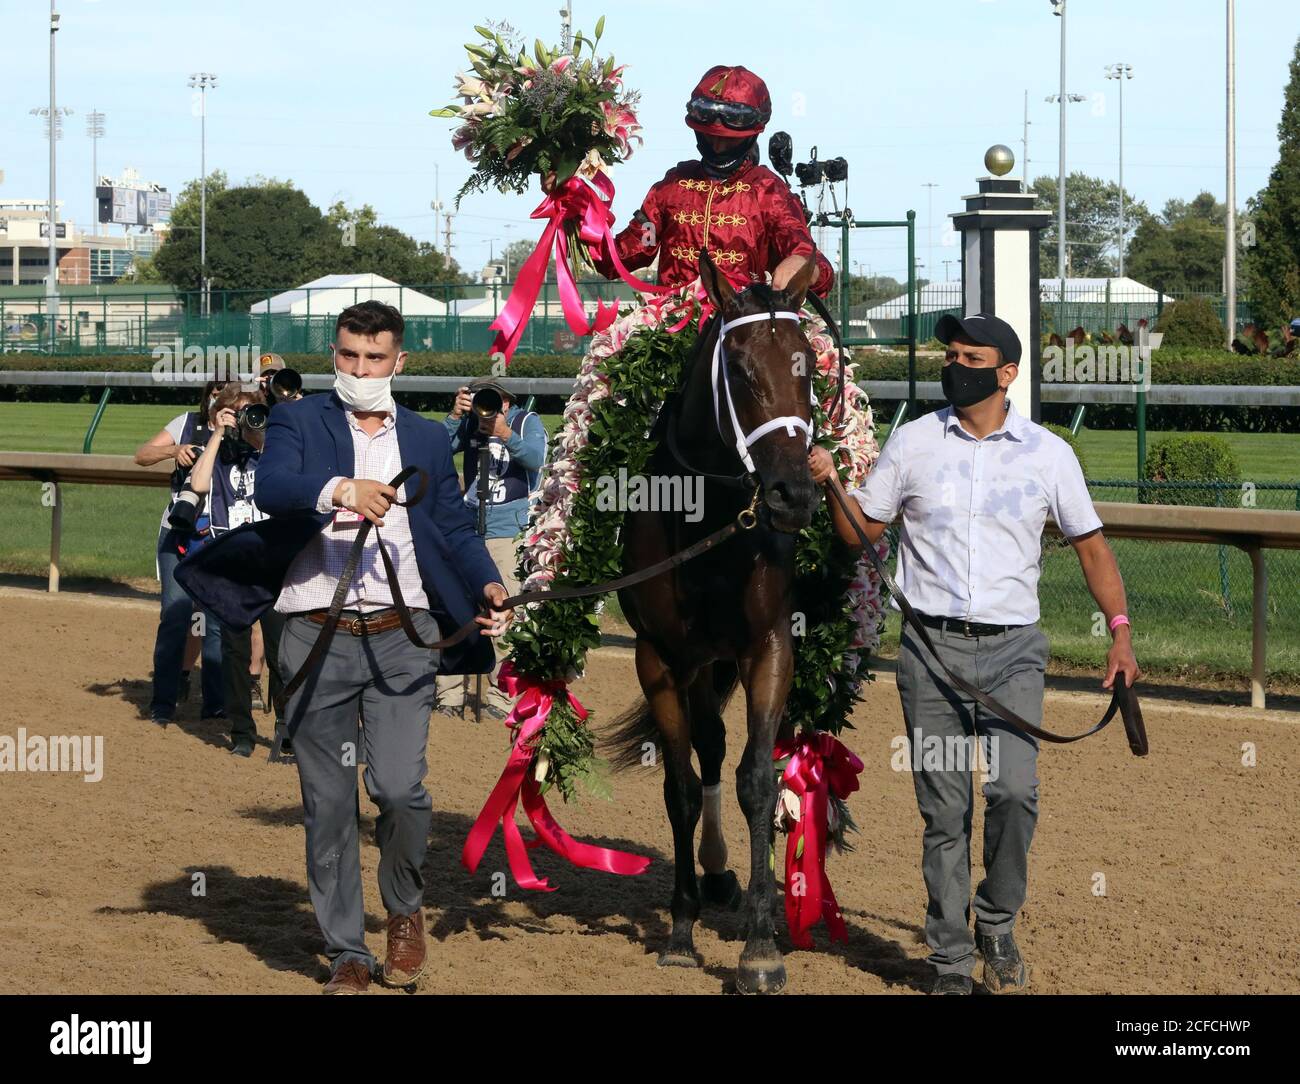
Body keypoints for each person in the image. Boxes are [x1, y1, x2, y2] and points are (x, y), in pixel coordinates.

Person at [809, 312, 1141, 995]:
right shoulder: (914, 443)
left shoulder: (1049, 454)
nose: (954, 364)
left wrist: (1120, 630)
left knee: (1015, 792)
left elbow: (1092, 547)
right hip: (930, 656)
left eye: (970, 355)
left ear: (1008, 372)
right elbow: (857, 533)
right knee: (945, 812)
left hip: (1015, 654)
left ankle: (996, 918)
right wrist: (830, 479)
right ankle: (951, 959)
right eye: (951, 353)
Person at [244, 300, 513, 994]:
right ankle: (347, 953)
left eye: (372, 359)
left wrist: (485, 582)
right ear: (335, 355)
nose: (359, 370)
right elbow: (271, 487)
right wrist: (341, 490)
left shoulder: (424, 438)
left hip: (403, 639)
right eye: (347, 356)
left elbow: (450, 523)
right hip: (314, 636)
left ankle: (403, 910)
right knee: (329, 803)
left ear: (399, 362)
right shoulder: (298, 418)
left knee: (399, 787)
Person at [187, 382, 286, 758]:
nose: (247, 419)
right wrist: (218, 435)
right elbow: (197, 485)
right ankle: (242, 730)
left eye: (253, 412)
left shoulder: (271, 450)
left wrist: (260, 431)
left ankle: (286, 728)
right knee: (234, 650)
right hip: (230, 562)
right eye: (239, 412)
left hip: (269, 560)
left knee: (280, 652)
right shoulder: (214, 455)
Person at [437, 379, 546, 718]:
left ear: (507, 403)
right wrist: (456, 416)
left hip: (507, 531)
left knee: (504, 615)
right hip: (468, 528)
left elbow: (536, 459)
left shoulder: (526, 421)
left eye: (493, 400)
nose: (485, 407)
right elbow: (437, 448)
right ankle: (450, 694)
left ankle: (502, 697)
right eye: (478, 399)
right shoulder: (469, 422)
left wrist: (504, 433)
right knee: (456, 612)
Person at [135, 379, 226, 725]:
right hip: (178, 532)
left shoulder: (247, 428)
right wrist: (173, 451)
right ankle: (163, 702)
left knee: (216, 622)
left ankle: (215, 705)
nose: (220, 397)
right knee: (175, 616)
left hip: (220, 535)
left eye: (228, 391)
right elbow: (141, 455)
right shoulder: (186, 422)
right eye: (215, 390)